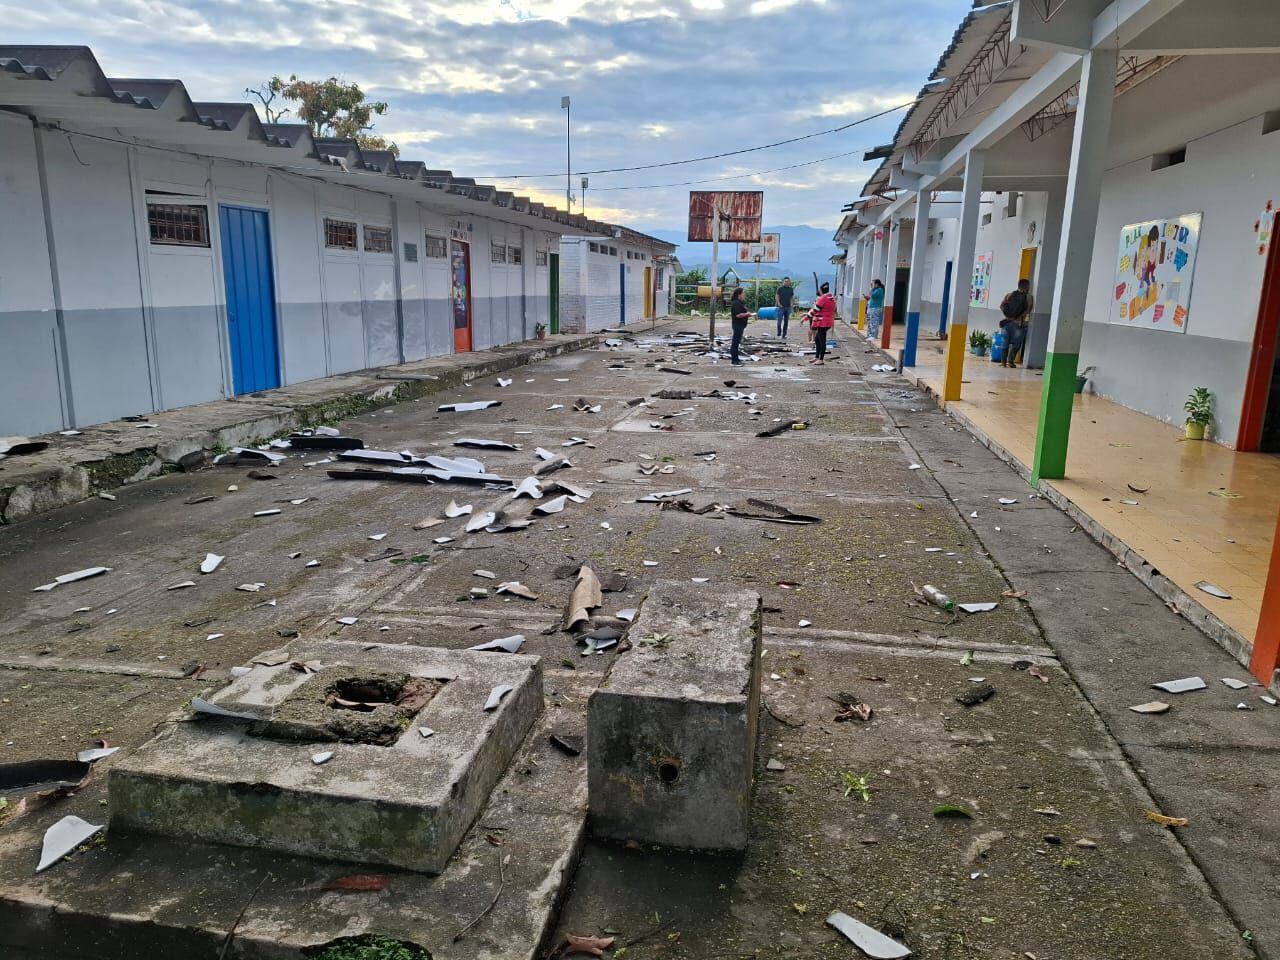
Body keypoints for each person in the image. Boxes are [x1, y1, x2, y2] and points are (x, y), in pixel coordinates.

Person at [998, 279, 1034, 368]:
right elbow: (1028, 310)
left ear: (1018, 285)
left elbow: (1001, 306)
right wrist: (1018, 317)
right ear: (1027, 287)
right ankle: (1010, 361)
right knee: (1017, 344)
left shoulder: (1009, 295)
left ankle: (1003, 363)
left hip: (1006, 323)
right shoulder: (1029, 297)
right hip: (1019, 324)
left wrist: (1009, 316)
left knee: (1004, 342)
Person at [805, 282, 836, 365]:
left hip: (823, 322)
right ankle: (816, 357)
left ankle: (821, 359)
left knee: (822, 341)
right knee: (817, 340)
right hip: (827, 321)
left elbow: (815, 310)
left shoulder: (823, 298)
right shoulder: (831, 297)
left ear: (821, 290)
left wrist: (806, 317)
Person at [728, 286, 752, 366]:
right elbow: (738, 315)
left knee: (737, 343)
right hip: (737, 325)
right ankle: (734, 361)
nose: (744, 294)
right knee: (735, 343)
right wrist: (747, 314)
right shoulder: (736, 303)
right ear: (739, 294)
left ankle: (736, 359)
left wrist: (747, 314)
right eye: (743, 293)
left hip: (740, 325)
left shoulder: (740, 302)